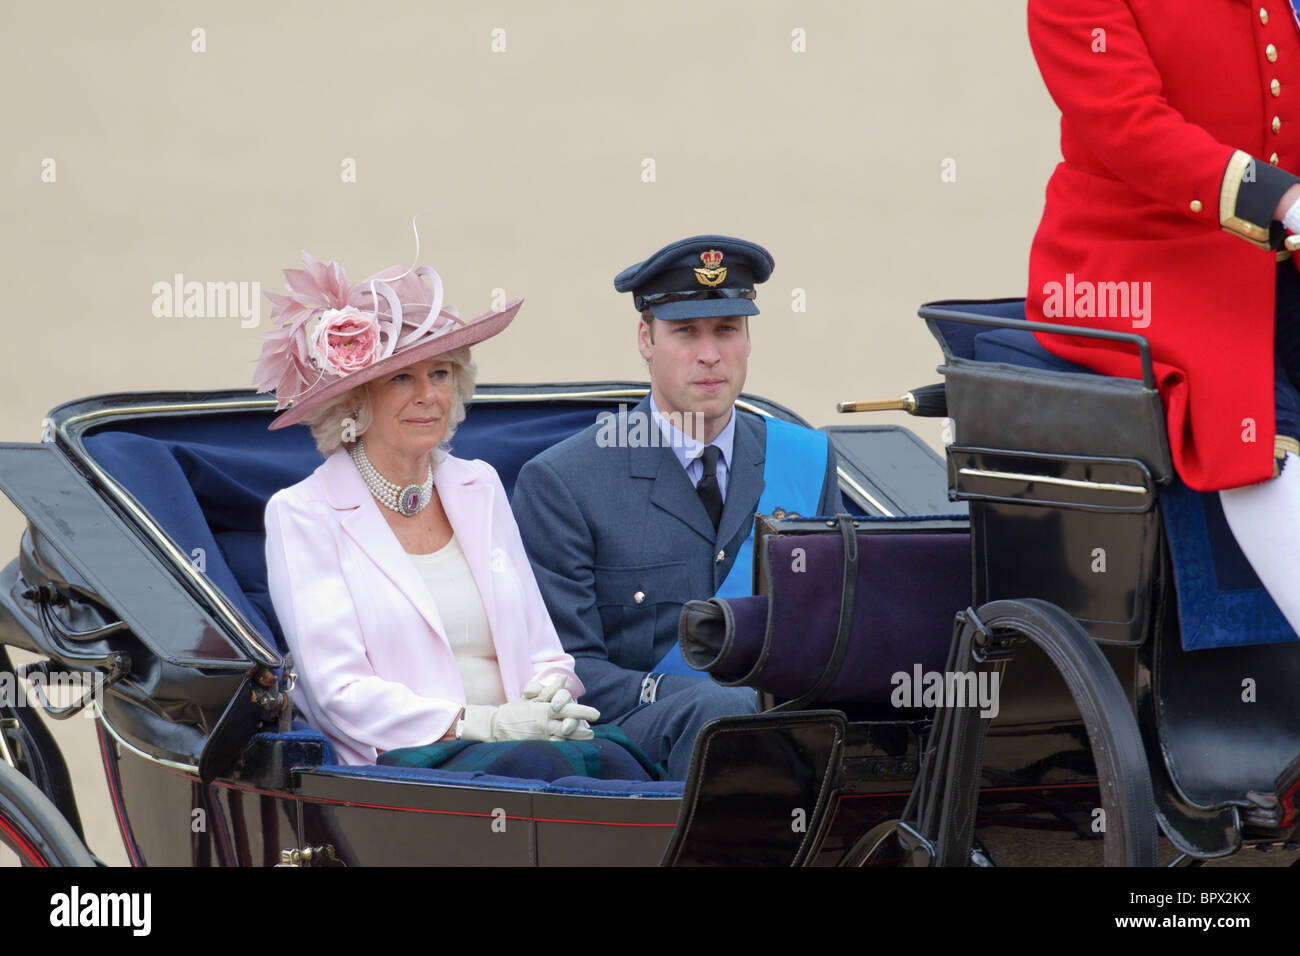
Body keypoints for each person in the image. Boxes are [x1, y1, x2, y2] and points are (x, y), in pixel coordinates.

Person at [253, 250, 617, 770]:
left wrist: (550, 704)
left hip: (530, 745)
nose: (428, 395)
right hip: (410, 766)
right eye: (401, 378)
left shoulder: (480, 485)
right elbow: (339, 692)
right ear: (355, 399)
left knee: (624, 769)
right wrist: (482, 725)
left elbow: (544, 650)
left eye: (441, 373)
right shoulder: (303, 514)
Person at [511, 235, 841, 779]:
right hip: (637, 742)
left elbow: (831, 626)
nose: (710, 355)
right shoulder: (566, 481)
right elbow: (563, 667)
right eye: (685, 332)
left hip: (791, 730)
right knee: (726, 712)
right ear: (646, 338)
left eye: (727, 330)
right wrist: (678, 691)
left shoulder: (807, 456)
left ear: (748, 338)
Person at [1026, 0, 1300, 634]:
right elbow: (1129, 123)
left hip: (1277, 247)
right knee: (1256, 423)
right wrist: (1278, 196)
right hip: (1134, 258)